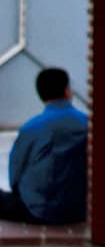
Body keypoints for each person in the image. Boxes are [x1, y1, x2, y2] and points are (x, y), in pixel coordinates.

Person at [1, 68, 89, 225]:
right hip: (79, 210)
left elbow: (15, 174)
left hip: (37, 210)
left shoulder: (32, 127)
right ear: (67, 91)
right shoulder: (86, 124)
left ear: (41, 94)